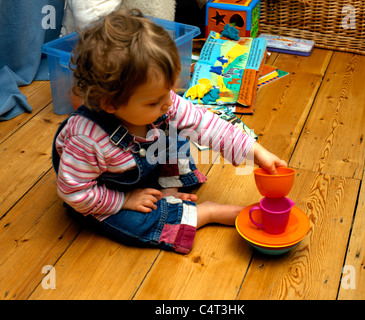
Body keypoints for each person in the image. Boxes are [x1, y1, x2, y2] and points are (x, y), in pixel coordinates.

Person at [52, 9, 287, 254]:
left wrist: (255, 151)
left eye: (170, 90)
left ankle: (167, 191)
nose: (168, 102)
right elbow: (75, 193)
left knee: (178, 126)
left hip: (136, 166)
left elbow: (205, 124)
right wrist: (125, 200)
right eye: (153, 101)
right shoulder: (86, 141)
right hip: (100, 189)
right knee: (126, 222)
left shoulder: (163, 101)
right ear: (110, 104)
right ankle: (204, 214)